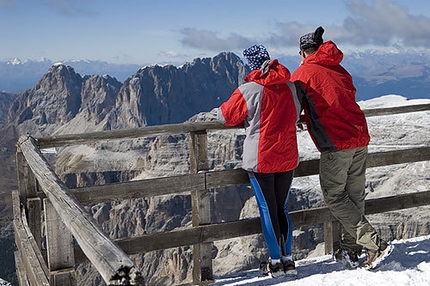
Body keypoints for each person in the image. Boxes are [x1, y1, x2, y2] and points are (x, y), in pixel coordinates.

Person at [291, 26, 389, 269]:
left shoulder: (303, 74)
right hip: (359, 135)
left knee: (334, 196)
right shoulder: (340, 68)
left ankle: (374, 243)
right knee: (354, 195)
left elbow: (291, 106)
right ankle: (350, 248)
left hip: (336, 142)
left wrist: (299, 117)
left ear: (303, 52)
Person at [217, 44, 301, 277]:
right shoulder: (290, 87)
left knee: (267, 208)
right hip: (287, 156)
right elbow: (295, 114)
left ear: (251, 65)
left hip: (262, 159)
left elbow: (225, 116)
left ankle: (275, 262)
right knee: (282, 207)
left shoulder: (249, 90)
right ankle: (289, 259)